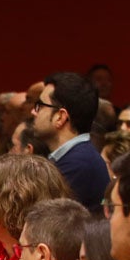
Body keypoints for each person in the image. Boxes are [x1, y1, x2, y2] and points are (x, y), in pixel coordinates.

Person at [32, 72, 109, 213]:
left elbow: (40, 224)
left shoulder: (79, 165)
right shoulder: (76, 158)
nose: (33, 112)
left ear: (60, 117)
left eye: (40, 105)